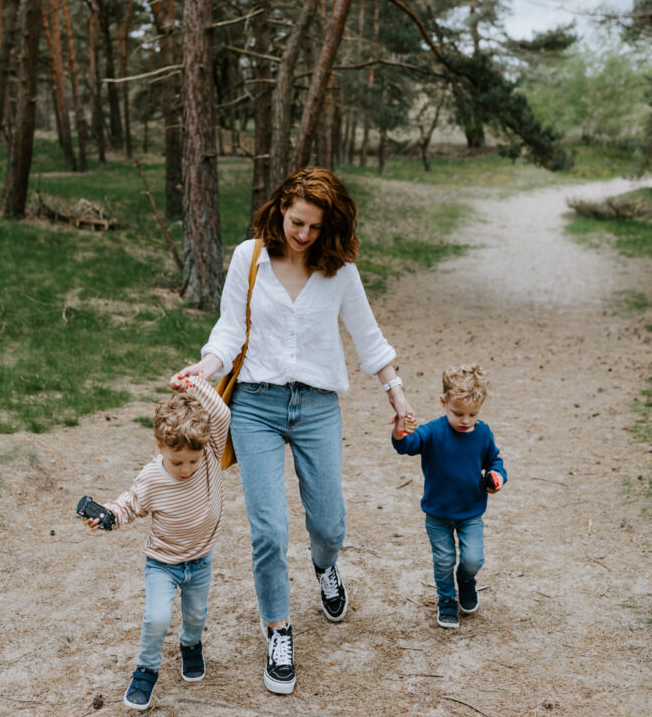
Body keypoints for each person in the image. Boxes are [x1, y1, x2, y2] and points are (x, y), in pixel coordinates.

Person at [172, 167, 413, 695]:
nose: (302, 235)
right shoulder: (249, 256)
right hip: (256, 405)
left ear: (329, 227)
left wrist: (395, 392)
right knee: (270, 531)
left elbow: (368, 337)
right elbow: (230, 329)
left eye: (313, 227)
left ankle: (326, 568)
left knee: (327, 525)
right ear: (280, 208)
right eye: (295, 222)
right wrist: (204, 368)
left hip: (318, 405)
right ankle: (278, 632)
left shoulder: (339, 270)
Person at [79, 385, 230, 711]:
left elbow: (221, 413)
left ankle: (191, 645)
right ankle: (146, 669)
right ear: (159, 446)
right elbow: (128, 506)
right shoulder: (152, 478)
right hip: (163, 563)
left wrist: (195, 383)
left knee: (196, 614)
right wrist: (108, 516)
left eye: (192, 460)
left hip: (201, 559)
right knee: (157, 617)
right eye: (177, 462)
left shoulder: (210, 453)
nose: (187, 469)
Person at [391, 363, 507, 630]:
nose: (465, 420)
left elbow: (494, 461)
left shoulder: (482, 433)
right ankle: (446, 599)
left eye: (472, 414)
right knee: (443, 560)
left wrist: (496, 477)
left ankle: (466, 581)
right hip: (438, 513)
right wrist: (400, 430)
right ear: (443, 402)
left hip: (471, 511)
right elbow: (407, 445)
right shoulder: (433, 432)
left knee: (473, 559)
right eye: (458, 413)